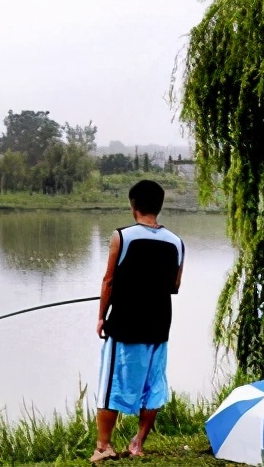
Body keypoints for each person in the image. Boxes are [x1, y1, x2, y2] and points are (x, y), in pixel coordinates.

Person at [91, 179, 185, 463]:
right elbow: (175, 286)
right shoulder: (177, 242)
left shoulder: (122, 236)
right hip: (159, 326)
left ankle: (104, 446)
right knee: (153, 385)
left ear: (133, 206)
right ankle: (138, 442)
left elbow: (109, 280)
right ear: (159, 206)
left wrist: (100, 317)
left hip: (125, 324)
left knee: (112, 385)